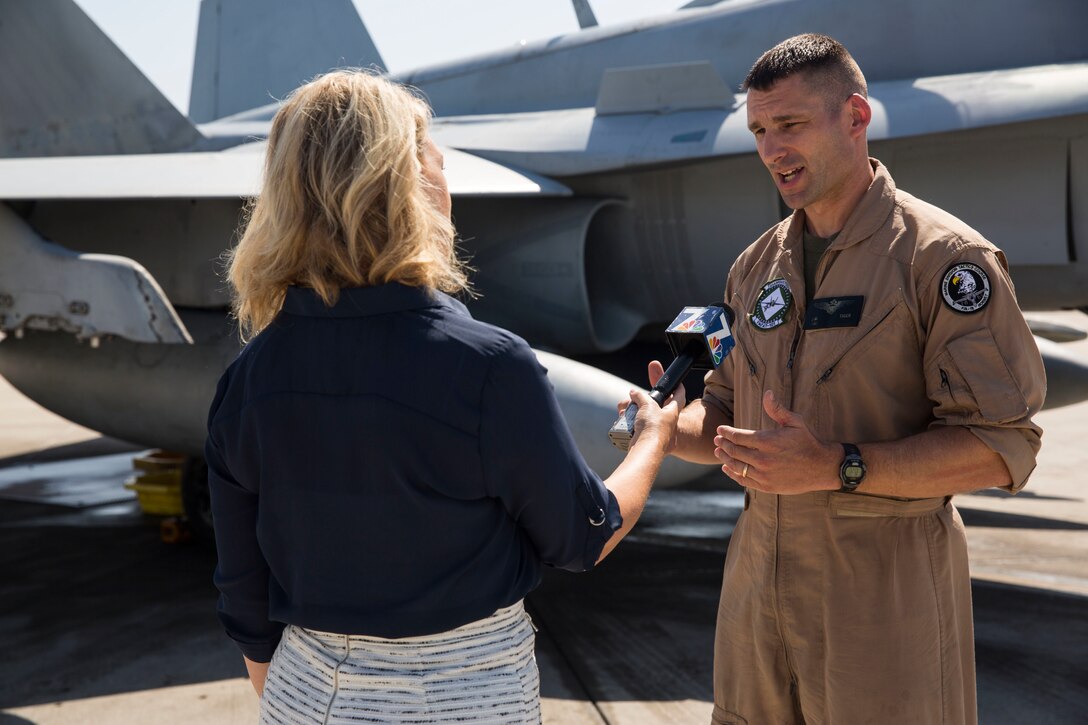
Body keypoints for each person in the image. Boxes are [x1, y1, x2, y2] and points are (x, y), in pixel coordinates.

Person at [206, 70, 681, 724]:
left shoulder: (246, 379)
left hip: (300, 695)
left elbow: (243, 589)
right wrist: (652, 440)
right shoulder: (491, 368)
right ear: (413, 185)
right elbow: (581, 535)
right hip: (467, 698)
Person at [650, 34, 1046, 724]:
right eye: (760, 131)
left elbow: (1001, 444)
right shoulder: (755, 266)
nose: (773, 149)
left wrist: (840, 466)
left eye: (792, 125)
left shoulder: (942, 260)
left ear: (856, 118)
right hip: (757, 602)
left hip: (882, 610)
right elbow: (722, 412)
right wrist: (662, 429)